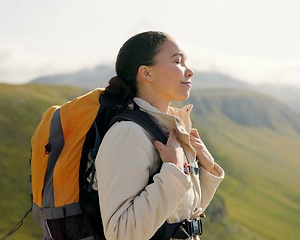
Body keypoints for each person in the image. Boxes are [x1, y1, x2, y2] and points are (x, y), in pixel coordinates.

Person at [96, 31, 225, 240]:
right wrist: (173, 171)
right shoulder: (128, 134)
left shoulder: (170, 129)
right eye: (178, 62)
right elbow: (121, 234)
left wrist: (207, 169)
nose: (189, 71)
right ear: (147, 73)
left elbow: (179, 216)